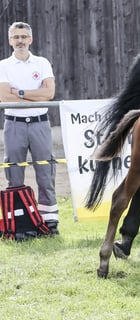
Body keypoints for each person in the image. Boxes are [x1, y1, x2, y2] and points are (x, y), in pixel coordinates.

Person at [0, 22, 59, 235]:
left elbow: (49, 93)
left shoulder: (42, 63)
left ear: (31, 40)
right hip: (14, 124)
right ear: (10, 41)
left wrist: (21, 93)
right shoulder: (3, 65)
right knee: (14, 173)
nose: (20, 41)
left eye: (24, 36)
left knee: (46, 172)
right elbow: (5, 97)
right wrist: (35, 93)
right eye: (16, 37)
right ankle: (20, 222)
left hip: (40, 123)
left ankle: (50, 221)